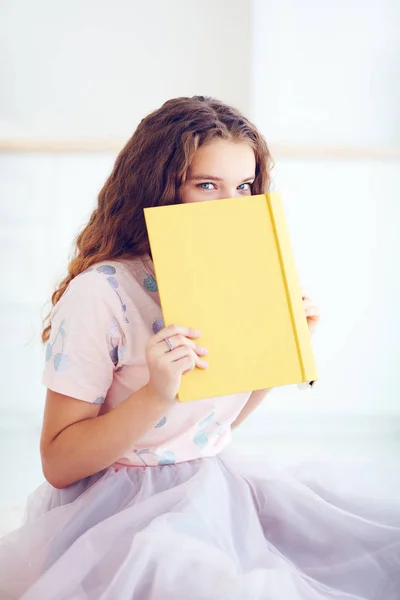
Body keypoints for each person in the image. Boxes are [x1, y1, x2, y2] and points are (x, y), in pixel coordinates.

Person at [0, 96, 399, 600]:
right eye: (207, 185)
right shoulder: (102, 293)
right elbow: (58, 463)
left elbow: (214, 426)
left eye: (244, 187)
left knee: (373, 543)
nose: (232, 206)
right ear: (162, 187)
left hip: (215, 487)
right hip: (120, 511)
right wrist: (156, 395)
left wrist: (283, 347)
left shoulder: (238, 279)